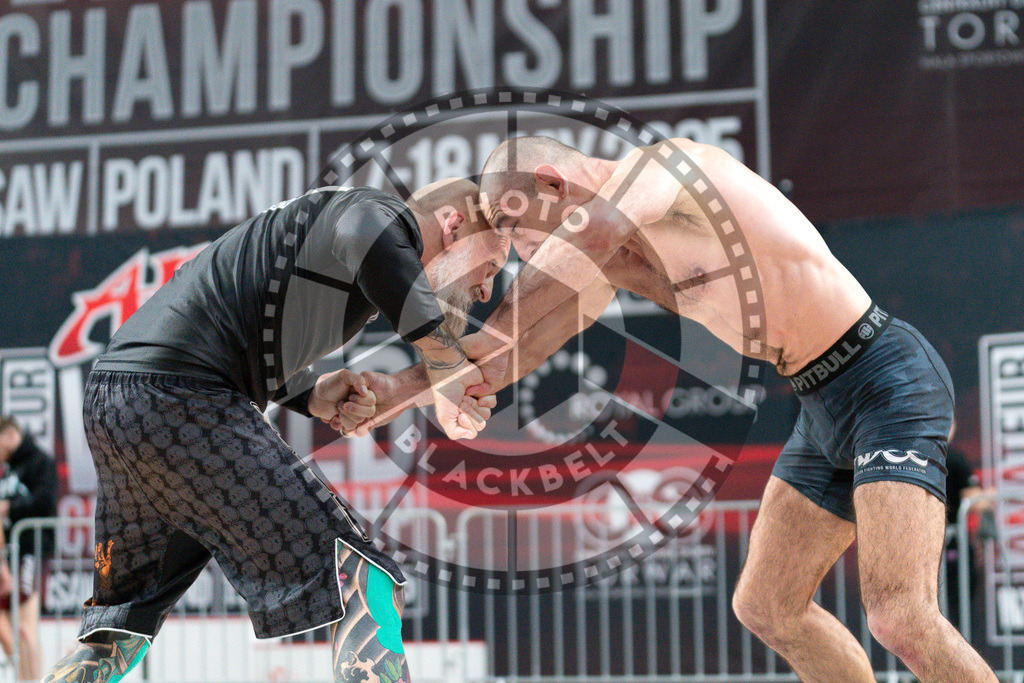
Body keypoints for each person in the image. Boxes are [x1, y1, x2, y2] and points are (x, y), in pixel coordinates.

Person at [439, 135, 996, 682]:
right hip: (819, 400)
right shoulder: (616, 260)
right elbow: (540, 332)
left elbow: (589, 239)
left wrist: (486, 339)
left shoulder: (667, 166)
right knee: (767, 606)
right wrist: (445, 379)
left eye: (517, 229)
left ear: (552, 183)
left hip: (883, 376)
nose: (521, 253)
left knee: (900, 617)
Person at [42, 179, 507, 683]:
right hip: (180, 401)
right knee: (358, 576)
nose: (485, 290)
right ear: (453, 225)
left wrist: (310, 394)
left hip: (119, 401)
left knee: (118, 630)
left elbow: (235, 320)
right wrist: (446, 363)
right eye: (492, 267)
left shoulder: (321, 231)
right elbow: (364, 231)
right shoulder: (374, 211)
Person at [0, 415, 57, 681]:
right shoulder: (7, 468)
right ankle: (25, 677)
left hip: (30, 550)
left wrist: (10, 508)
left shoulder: (39, 461)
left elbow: (46, 503)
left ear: (9, 435)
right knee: (8, 625)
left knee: (25, 625)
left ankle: (30, 679)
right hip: (7, 553)